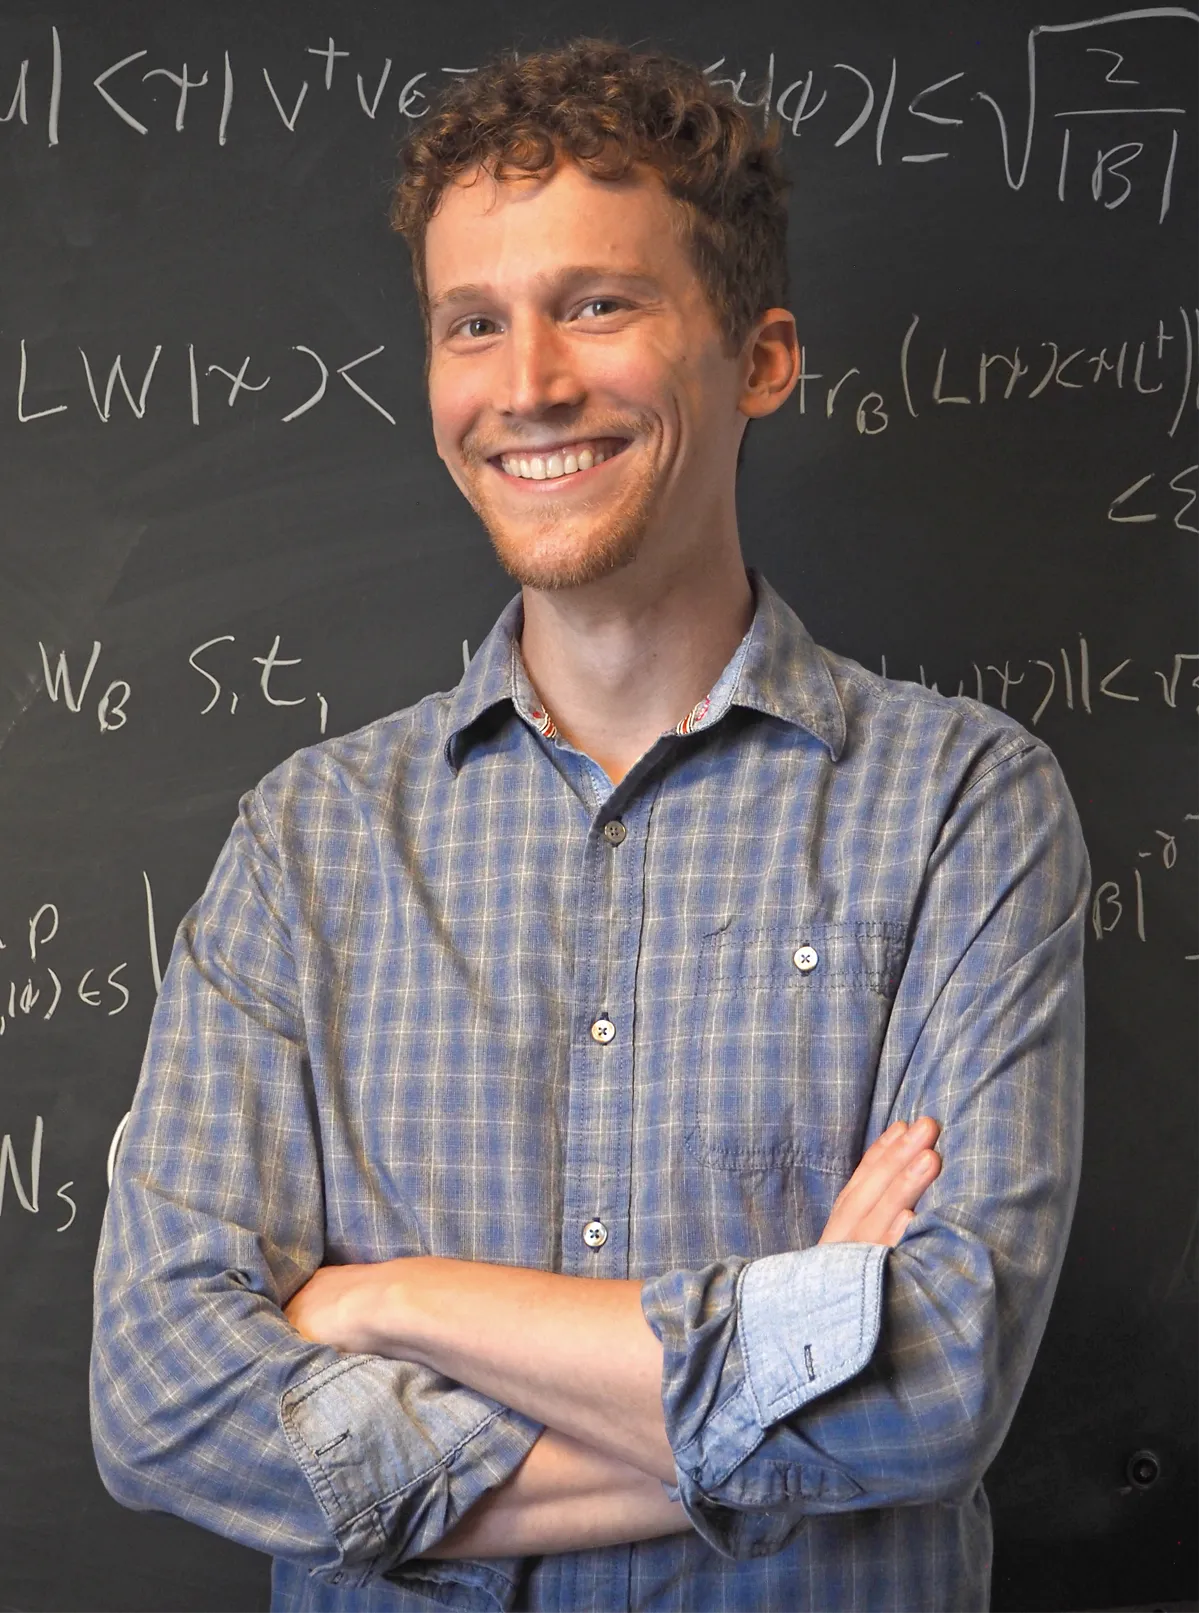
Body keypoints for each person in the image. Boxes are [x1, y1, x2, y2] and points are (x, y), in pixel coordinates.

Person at [90, 37, 1089, 1613]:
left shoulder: (965, 804)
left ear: (758, 359)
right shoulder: (309, 841)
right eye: (471, 324)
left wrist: (384, 1301)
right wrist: (782, 1379)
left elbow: (941, 1384)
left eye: (598, 304)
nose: (529, 383)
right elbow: (158, 1396)